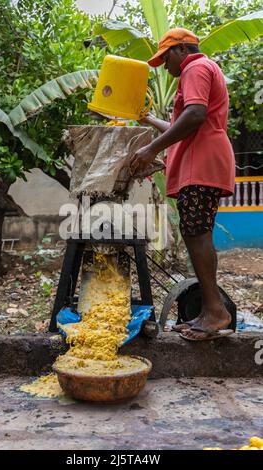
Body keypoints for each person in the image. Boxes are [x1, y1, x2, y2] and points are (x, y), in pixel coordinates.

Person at [130, 28, 235, 341]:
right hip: (201, 161)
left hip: (202, 164)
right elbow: (182, 123)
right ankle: (208, 311)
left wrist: (151, 149)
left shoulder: (195, 68)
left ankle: (216, 311)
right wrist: (148, 120)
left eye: (164, 58)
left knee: (197, 234)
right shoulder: (199, 70)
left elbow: (195, 116)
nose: (164, 67)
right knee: (195, 234)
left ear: (179, 50)